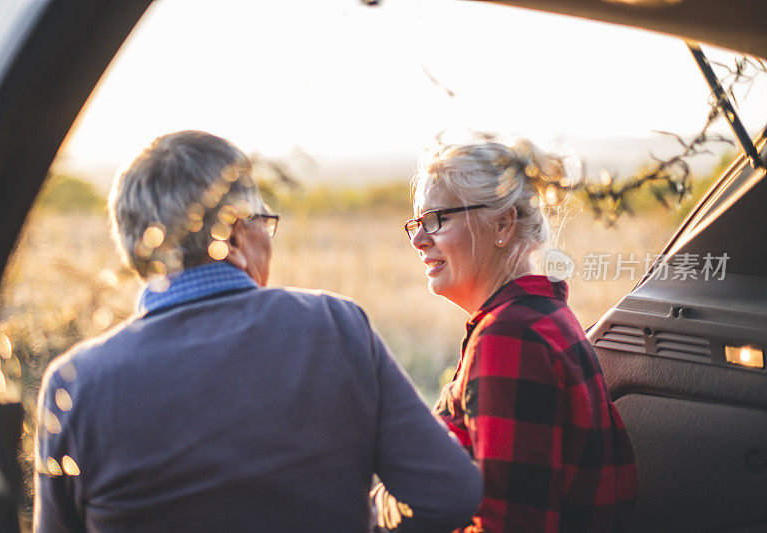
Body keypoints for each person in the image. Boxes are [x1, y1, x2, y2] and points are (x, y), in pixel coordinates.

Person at [34, 130, 482, 532]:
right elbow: (451, 496)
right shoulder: (334, 327)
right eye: (264, 223)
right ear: (231, 235)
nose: (268, 239)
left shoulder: (74, 384)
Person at [401, 140, 638, 532]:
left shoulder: (509, 339)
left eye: (438, 218)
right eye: (417, 222)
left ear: (503, 225)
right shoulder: (544, 316)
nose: (418, 239)